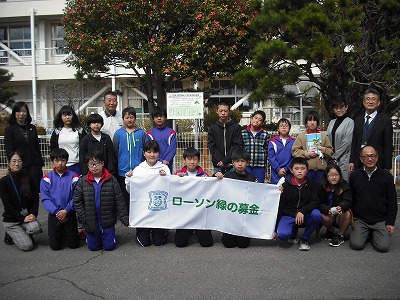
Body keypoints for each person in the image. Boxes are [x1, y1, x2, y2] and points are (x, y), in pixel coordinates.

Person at [73, 151, 129, 251]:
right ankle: (91, 237)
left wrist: (125, 220)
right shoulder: (82, 181)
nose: (94, 167)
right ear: (88, 165)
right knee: (93, 248)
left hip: (107, 220)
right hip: (90, 221)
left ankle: (110, 236)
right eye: (91, 164)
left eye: (97, 163)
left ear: (102, 163)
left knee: (109, 247)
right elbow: (77, 202)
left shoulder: (111, 180)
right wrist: (84, 217)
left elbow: (119, 201)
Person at [349, 146, 397, 253]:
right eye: (366, 156)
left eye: (372, 156)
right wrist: (351, 219)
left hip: (380, 219)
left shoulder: (386, 176)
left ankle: (373, 233)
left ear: (377, 158)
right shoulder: (355, 176)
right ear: (361, 159)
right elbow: (351, 198)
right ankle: (365, 232)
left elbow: (392, 202)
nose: (369, 159)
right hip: (361, 219)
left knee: (383, 247)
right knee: (356, 244)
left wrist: (390, 222)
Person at [125, 140, 171, 247]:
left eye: (155, 152)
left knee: (158, 242)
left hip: (159, 210)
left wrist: (166, 178)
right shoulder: (139, 169)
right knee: (144, 243)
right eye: (149, 152)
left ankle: (163, 230)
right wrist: (129, 179)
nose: (152, 154)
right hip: (143, 211)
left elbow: (170, 188)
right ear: (144, 153)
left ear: (158, 153)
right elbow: (131, 190)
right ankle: (142, 231)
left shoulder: (163, 168)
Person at [275, 157, 322, 251]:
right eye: (296, 169)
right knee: (282, 235)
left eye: (302, 168)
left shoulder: (313, 184)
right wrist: (274, 228)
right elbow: (280, 207)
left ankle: (304, 239)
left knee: (317, 215)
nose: (299, 171)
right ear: (291, 170)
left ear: (307, 170)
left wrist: (302, 211)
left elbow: (315, 202)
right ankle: (293, 233)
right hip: (289, 214)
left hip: (305, 215)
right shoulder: (285, 186)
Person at [214, 148, 257, 248]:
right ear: (233, 162)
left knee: (243, 245)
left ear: (247, 162)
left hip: (244, 216)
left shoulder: (252, 178)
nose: (240, 164)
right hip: (230, 215)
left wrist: (277, 190)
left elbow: (260, 192)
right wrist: (217, 175)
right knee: (229, 244)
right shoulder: (227, 176)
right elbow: (214, 186)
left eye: (243, 161)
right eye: (237, 161)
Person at [0, 151, 42, 251]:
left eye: (19, 161)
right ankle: (10, 233)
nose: (17, 164)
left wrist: (34, 214)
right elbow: (7, 205)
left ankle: (21, 232)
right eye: (14, 161)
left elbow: (35, 198)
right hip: (12, 220)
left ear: (23, 163)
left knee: (36, 228)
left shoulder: (28, 178)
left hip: (26, 215)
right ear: (9, 163)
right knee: (28, 246)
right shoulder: (4, 182)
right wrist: (22, 218)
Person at [40, 148, 80, 250]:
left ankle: (68, 234)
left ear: (67, 161)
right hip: (55, 214)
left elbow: (77, 196)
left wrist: (66, 210)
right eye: (57, 161)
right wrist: (57, 212)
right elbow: (45, 199)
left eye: (62, 160)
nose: (60, 163)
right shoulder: (46, 178)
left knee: (73, 245)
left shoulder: (74, 177)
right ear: (52, 162)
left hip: (69, 212)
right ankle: (60, 234)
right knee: (55, 246)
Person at [174, 147, 213, 247]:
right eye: (189, 159)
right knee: (179, 243)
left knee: (207, 243)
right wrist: (176, 180)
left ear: (198, 160)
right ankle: (190, 231)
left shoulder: (204, 175)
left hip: (200, 214)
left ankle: (197, 232)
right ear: (184, 160)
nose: (192, 162)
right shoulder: (178, 175)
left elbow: (212, 191)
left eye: (195, 159)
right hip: (184, 215)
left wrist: (209, 181)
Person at [349, 88, 393, 173]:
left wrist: (387, 167)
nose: (370, 102)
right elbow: (355, 142)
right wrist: (351, 161)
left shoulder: (385, 121)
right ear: (363, 102)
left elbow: (388, 146)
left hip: (377, 162)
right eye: (368, 99)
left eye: (374, 99)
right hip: (359, 161)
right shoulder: (358, 120)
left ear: (378, 102)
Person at [4, 101, 44, 192]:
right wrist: (13, 164)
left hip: (35, 165)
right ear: (14, 113)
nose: (21, 114)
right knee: (22, 191)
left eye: (24, 111)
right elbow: (9, 149)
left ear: (27, 113)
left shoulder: (32, 128)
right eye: (18, 111)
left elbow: (36, 146)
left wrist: (40, 162)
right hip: (21, 165)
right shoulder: (10, 130)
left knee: (35, 191)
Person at [113, 107, 146, 209]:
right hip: (123, 170)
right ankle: (127, 217)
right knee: (124, 195)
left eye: (131, 117)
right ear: (123, 119)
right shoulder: (118, 134)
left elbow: (145, 150)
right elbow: (115, 151)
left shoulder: (141, 133)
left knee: (139, 194)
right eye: (127, 117)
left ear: (135, 119)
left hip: (139, 170)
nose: (129, 120)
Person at [292, 110, 333, 183]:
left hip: (321, 170)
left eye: (314, 120)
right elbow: (295, 151)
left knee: (320, 191)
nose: (312, 122)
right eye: (310, 120)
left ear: (317, 122)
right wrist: (306, 154)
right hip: (307, 170)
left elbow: (331, 151)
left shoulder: (323, 136)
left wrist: (325, 150)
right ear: (306, 122)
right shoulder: (301, 136)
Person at [318, 164, 352, 247]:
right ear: (327, 176)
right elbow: (317, 202)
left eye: (336, 175)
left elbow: (347, 201)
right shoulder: (321, 186)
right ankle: (330, 230)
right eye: (331, 175)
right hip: (328, 214)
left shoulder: (344, 185)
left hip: (339, 215)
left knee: (347, 213)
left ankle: (340, 236)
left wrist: (341, 206)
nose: (334, 177)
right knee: (318, 214)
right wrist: (328, 209)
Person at [50, 105, 87, 176]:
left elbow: (85, 147)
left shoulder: (79, 131)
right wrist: (54, 162)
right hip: (61, 165)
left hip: (77, 165)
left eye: (69, 115)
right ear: (61, 117)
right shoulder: (57, 131)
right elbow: (53, 148)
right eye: (64, 115)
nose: (67, 117)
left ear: (73, 116)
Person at [208, 101, 242, 174]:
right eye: (221, 111)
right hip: (218, 166)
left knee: (232, 185)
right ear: (217, 111)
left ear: (229, 111)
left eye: (225, 111)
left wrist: (225, 161)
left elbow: (236, 145)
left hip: (233, 165)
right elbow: (212, 146)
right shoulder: (212, 128)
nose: (223, 113)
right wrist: (221, 161)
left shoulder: (236, 127)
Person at [326, 100, 354, 181]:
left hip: (343, 158)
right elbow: (327, 138)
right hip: (331, 158)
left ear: (346, 107)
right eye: (336, 108)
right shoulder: (332, 122)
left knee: (343, 182)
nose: (338, 110)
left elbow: (347, 142)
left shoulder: (350, 122)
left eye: (341, 107)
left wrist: (335, 156)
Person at [241, 110, 269, 183]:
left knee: (259, 186)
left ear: (262, 123)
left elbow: (267, 149)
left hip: (260, 166)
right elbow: (240, 148)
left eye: (260, 120)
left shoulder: (265, 134)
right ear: (251, 118)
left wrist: (265, 160)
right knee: (246, 186)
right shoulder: (243, 133)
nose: (257, 121)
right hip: (246, 165)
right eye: (255, 118)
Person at [146, 106, 176, 173]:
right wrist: (159, 160)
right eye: (156, 116)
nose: (159, 118)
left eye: (161, 116)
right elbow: (148, 149)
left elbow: (172, 149)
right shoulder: (150, 133)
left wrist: (166, 160)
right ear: (153, 119)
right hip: (154, 164)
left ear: (165, 118)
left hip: (167, 164)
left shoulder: (171, 132)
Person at [268, 118, 295, 184]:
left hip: (289, 173)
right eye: (281, 126)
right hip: (275, 173)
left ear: (289, 129)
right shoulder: (272, 141)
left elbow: (294, 157)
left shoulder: (294, 142)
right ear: (278, 129)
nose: (284, 127)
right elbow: (271, 157)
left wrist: (286, 168)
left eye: (286, 126)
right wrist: (278, 169)